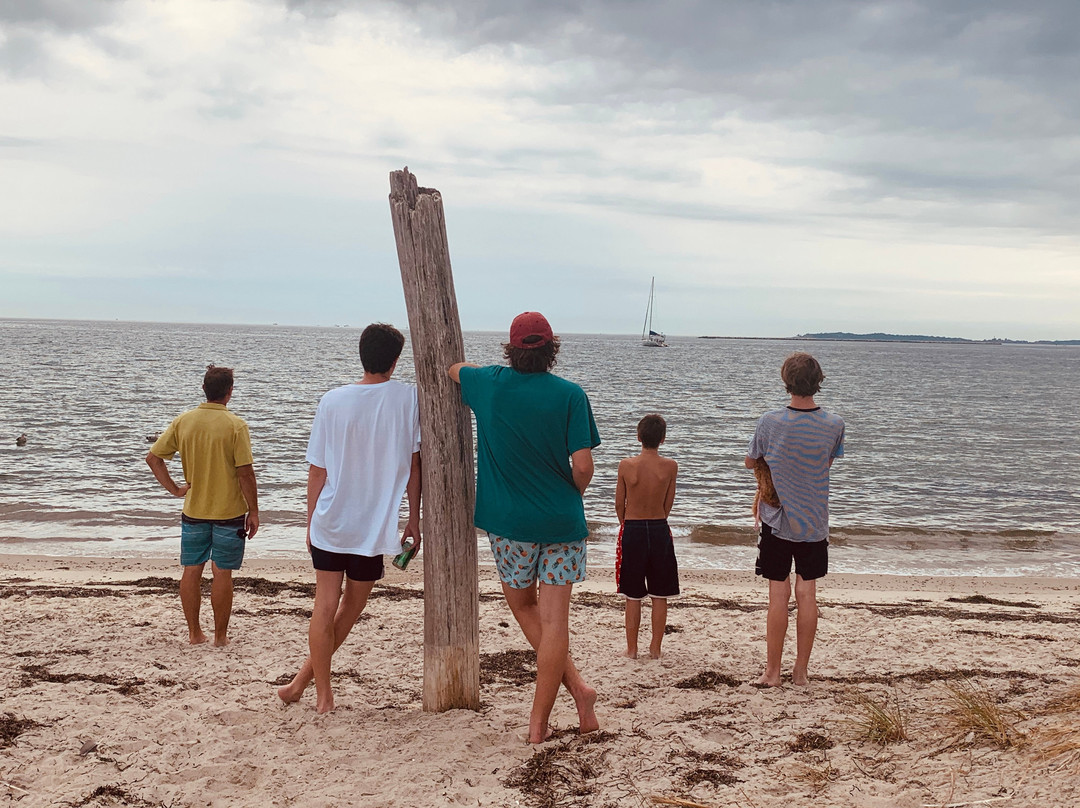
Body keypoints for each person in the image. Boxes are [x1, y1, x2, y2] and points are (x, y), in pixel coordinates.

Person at [449, 312, 600, 744]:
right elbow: (584, 466)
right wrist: (567, 495)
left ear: (512, 350)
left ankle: (577, 694)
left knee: (523, 607)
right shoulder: (571, 395)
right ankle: (544, 721)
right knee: (555, 622)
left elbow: (452, 369)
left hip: (511, 525)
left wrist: (480, 369)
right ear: (552, 349)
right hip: (563, 522)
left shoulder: (490, 383)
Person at [278, 323, 421, 714]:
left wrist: (310, 522)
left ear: (361, 354)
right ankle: (310, 689)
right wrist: (414, 517)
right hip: (371, 529)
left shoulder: (332, 400)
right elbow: (413, 465)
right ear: (394, 360)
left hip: (331, 521)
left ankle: (310, 690)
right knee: (349, 609)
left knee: (324, 605)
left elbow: (317, 472)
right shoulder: (409, 399)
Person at [745, 352, 844, 687]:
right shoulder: (834, 424)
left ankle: (772, 672)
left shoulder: (770, 421)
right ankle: (800, 672)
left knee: (778, 595)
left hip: (777, 520)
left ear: (786, 380)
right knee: (807, 594)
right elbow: (824, 464)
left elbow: (750, 461)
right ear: (818, 381)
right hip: (814, 522)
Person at [146, 365, 259, 647]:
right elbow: (245, 473)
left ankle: (195, 633)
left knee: (192, 570)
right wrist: (254, 511)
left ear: (204, 390)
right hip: (230, 513)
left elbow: (153, 458)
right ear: (229, 392)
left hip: (193, 510)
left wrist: (175, 490)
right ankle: (220, 637)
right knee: (222, 572)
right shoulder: (235, 425)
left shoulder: (184, 421)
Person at [615, 414, 679, 659]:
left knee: (633, 594)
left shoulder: (626, 465)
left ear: (638, 436)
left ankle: (632, 649)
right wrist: (657, 518)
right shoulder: (670, 466)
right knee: (659, 593)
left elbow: (619, 504)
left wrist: (626, 523)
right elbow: (668, 503)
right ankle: (655, 648)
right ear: (662, 439)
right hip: (659, 527)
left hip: (633, 528)